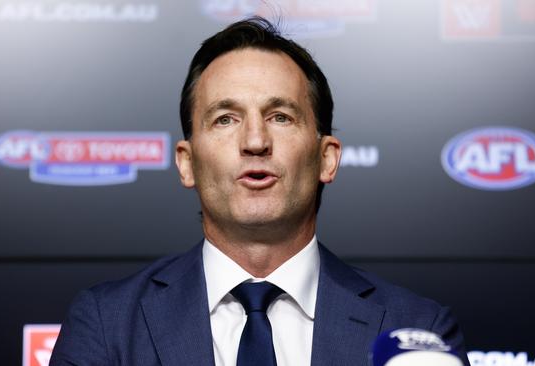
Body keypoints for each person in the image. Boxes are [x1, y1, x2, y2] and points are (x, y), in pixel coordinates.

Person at [50, 17, 470, 366]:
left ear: (327, 158)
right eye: (226, 119)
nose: (255, 141)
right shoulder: (106, 324)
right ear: (186, 162)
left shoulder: (416, 331)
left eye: (281, 117)